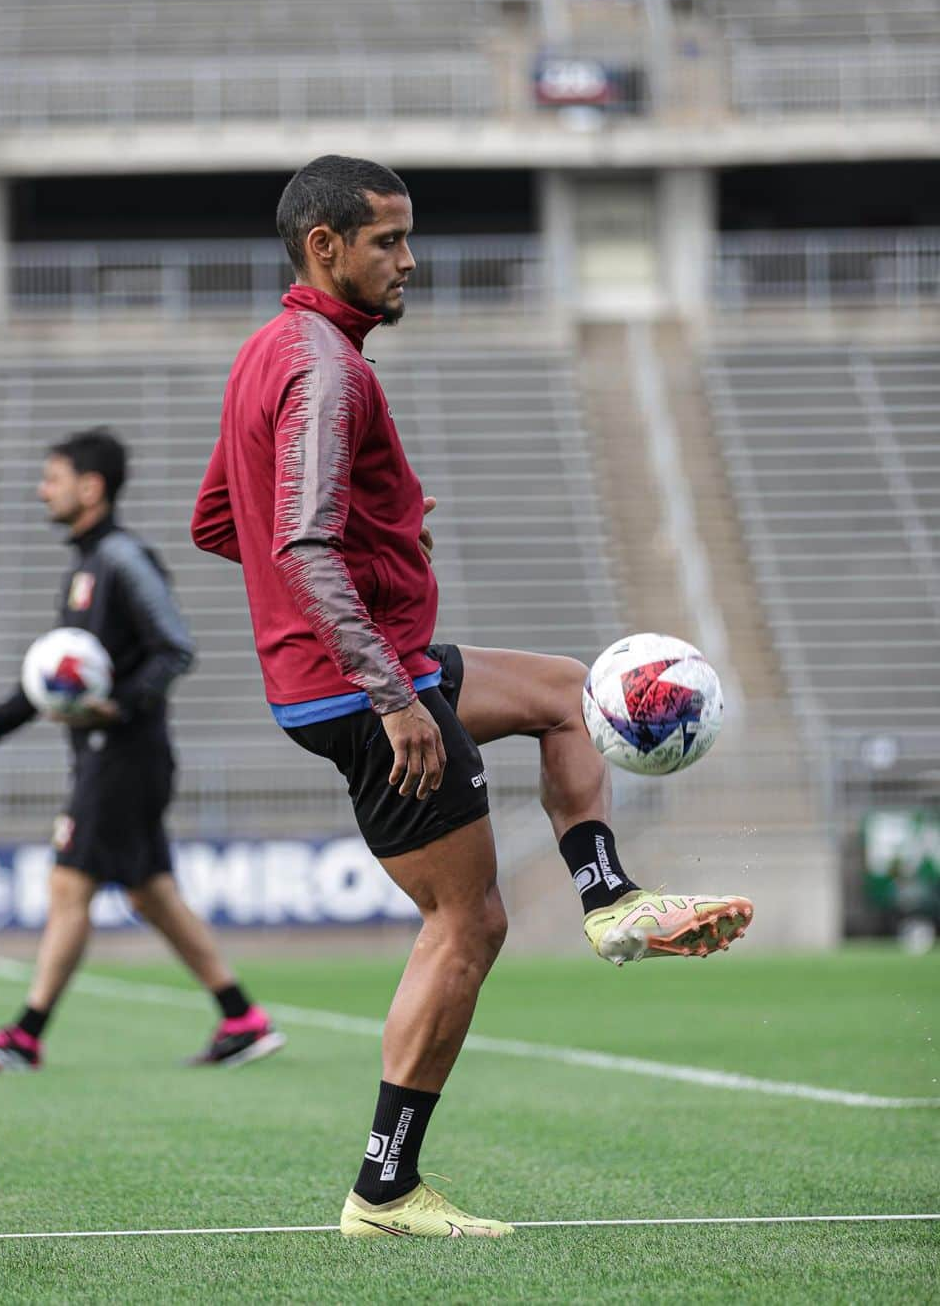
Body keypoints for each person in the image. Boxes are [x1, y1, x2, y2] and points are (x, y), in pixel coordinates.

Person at [191, 156, 752, 1239]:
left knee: (570, 693)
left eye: (408, 237)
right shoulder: (329, 372)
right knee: (468, 920)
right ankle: (385, 1187)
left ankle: (609, 897)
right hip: (364, 686)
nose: (411, 259)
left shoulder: (271, 352)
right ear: (326, 247)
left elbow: (225, 522)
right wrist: (392, 693)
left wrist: (386, 531)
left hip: (363, 662)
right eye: (388, 241)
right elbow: (296, 540)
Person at [0, 428, 283, 1074]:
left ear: (90, 486)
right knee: (150, 893)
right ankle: (242, 1017)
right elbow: (55, 676)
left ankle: (26, 1034)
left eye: (53, 477)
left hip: (123, 755)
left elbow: (175, 647)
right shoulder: (87, 567)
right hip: (117, 754)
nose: (42, 489)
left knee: (69, 880)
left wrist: (120, 704)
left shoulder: (123, 559)